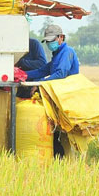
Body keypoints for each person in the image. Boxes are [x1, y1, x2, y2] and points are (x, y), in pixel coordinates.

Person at [26, 24, 79, 158]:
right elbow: (42, 70)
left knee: (64, 133)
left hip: (66, 99)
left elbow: (61, 73)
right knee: (54, 132)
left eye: (52, 40)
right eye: (48, 41)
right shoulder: (57, 55)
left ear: (61, 37)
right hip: (57, 98)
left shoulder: (67, 52)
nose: (50, 44)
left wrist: (39, 83)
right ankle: (58, 159)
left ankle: (66, 160)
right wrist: (22, 75)